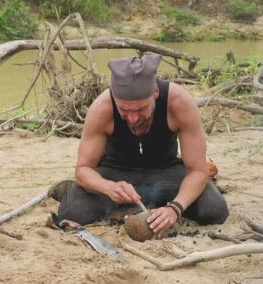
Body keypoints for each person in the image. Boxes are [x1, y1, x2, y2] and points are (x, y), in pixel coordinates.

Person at [55, 53, 228, 238]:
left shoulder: (179, 103)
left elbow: (198, 171)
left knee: (215, 210)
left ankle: (150, 205)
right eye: (124, 109)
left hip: (165, 171)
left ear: (155, 94)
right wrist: (108, 188)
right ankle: (120, 199)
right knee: (71, 212)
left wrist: (175, 208)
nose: (133, 118)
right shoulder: (102, 108)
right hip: (115, 172)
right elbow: (83, 169)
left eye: (140, 109)